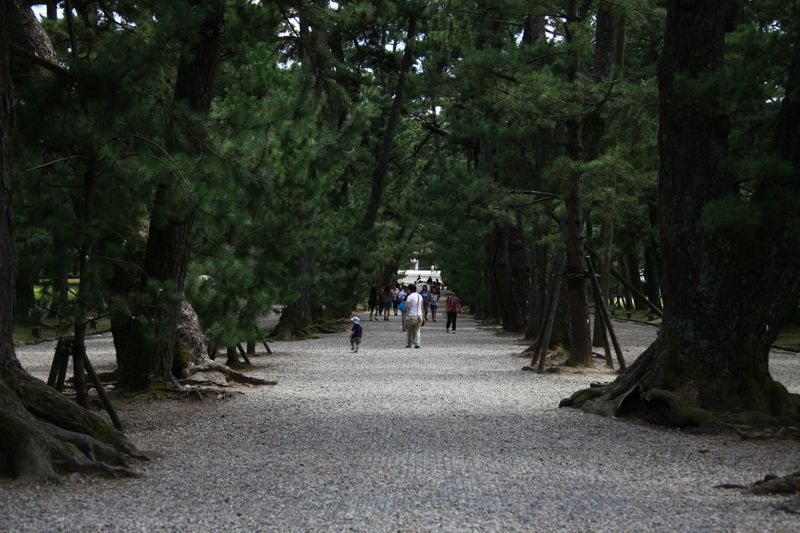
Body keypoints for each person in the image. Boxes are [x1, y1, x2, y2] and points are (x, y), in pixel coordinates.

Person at [405, 284, 424, 348]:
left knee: (409, 330)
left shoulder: (409, 297)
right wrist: (423, 316)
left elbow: (408, 307)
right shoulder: (420, 296)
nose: (407, 291)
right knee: (417, 330)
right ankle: (417, 344)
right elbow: (421, 307)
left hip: (412, 316)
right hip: (419, 315)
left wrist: (405, 305)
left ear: (410, 290)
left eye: (408, 289)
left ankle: (409, 344)